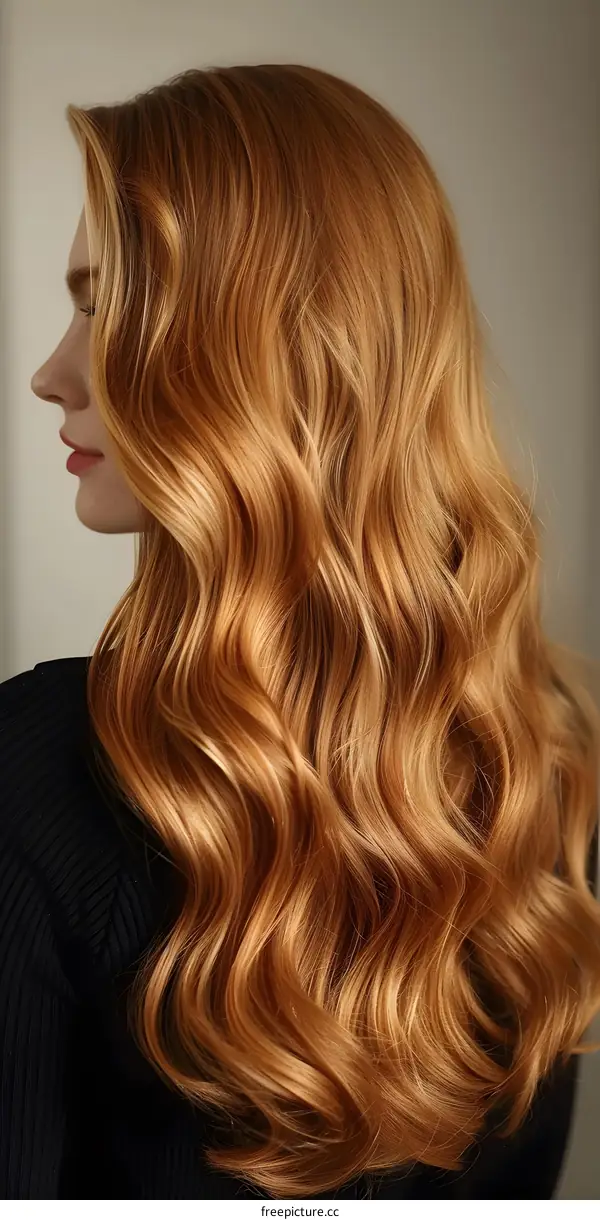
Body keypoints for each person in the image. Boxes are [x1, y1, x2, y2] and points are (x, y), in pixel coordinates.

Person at [1, 62, 599, 1202]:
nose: (50, 374)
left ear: (257, 345)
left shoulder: (36, 769)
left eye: (102, 302)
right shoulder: (542, 752)